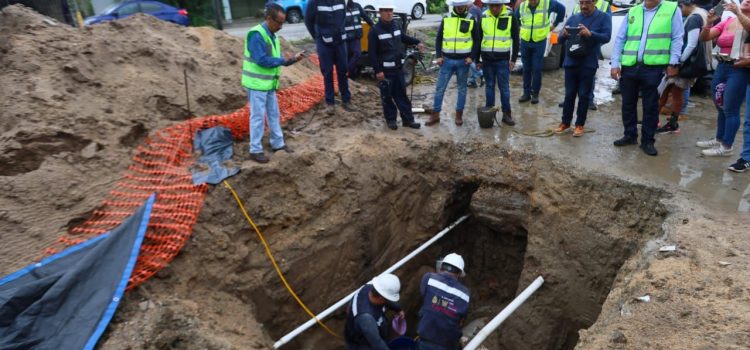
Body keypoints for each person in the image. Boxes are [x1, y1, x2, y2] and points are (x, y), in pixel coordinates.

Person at [610, 0, 684, 156]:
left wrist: (673, 62)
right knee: (628, 103)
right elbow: (620, 39)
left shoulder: (672, 9)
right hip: (630, 66)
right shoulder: (633, 11)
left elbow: (677, 37)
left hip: (654, 67)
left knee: (650, 106)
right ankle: (630, 135)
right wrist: (615, 63)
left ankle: (647, 141)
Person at [243, 4, 305, 164]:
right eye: (279, 22)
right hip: (257, 84)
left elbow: (276, 61)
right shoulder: (257, 34)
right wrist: (283, 61)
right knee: (257, 117)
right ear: (269, 18)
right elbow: (261, 59)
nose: (281, 26)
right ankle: (255, 150)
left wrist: (291, 60)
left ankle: (278, 144)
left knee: (273, 114)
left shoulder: (272, 35)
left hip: (269, 84)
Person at [695, 0, 750, 156]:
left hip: (739, 68)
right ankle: (719, 139)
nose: (746, 0)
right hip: (722, 65)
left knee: (731, 108)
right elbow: (703, 38)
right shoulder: (728, 20)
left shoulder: (742, 19)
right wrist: (709, 23)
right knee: (720, 105)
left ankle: (727, 146)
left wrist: (739, 13)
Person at [555, 0, 611, 137]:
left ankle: (580, 125)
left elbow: (607, 37)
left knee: (584, 95)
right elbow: (559, 39)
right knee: (569, 95)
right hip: (571, 63)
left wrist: (590, 34)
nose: (584, 6)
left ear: (595, 2)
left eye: (587, 3)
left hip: (588, 63)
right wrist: (564, 35)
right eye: (581, 3)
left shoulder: (603, 17)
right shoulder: (574, 18)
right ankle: (565, 123)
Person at [655, 0, 710, 135]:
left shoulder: (693, 18)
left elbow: (691, 44)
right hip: (686, 63)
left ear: (686, 5)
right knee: (669, 91)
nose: (680, 11)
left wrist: (677, 63)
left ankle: (669, 123)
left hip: (683, 64)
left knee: (670, 92)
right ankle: (661, 121)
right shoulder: (702, 14)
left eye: (681, 7)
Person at [368, 2, 426, 130]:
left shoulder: (396, 25)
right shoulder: (374, 31)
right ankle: (391, 120)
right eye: (386, 11)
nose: (389, 13)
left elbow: (403, 38)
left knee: (402, 96)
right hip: (385, 71)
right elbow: (372, 53)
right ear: (380, 13)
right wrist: (378, 71)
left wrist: (417, 42)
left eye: (390, 10)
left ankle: (408, 120)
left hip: (398, 69)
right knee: (387, 98)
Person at [426, 0, 482, 127]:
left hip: (464, 61)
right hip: (446, 61)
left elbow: (477, 40)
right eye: (458, 5)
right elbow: (439, 38)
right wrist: (439, 56)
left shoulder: (471, 19)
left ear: (466, 5)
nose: (460, 7)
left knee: (462, 89)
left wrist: (472, 57)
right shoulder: (447, 18)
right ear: (454, 5)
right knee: (440, 88)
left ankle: (459, 115)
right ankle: (435, 114)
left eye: (462, 4)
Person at [305, 0, 355, 115]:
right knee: (327, 72)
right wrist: (318, 37)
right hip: (324, 43)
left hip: (340, 42)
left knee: (343, 70)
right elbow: (308, 21)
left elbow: (342, 16)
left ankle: (346, 100)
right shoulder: (314, 2)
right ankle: (330, 103)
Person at [514, 0, 565, 104]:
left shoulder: (547, 3)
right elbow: (515, 18)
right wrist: (520, 27)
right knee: (526, 68)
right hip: (525, 41)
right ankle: (526, 93)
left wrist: (554, 25)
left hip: (539, 41)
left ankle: (535, 94)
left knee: (537, 68)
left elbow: (562, 10)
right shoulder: (522, 6)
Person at [478, 0, 520, 125]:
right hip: (487, 60)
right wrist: (478, 60)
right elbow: (478, 38)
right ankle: (489, 115)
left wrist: (513, 59)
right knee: (489, 87)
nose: (494, 8)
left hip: (503, 60)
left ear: (502, 5)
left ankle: (507, 115)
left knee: (504, 88)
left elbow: (516, 39)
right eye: (492, 6)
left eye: (497, 5)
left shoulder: (510, 16)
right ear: (488, 5)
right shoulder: (484, 16)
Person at [416, 253, 470, 350]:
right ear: (459, 273)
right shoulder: (465, 294)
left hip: (425, 340)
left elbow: (425, 296)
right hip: (448, 344)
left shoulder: (428, 278)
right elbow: (461, 319)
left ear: (441, 266)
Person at [344, 273, 404, 350]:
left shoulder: (371, 288)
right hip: (362, 344)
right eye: (387, 298)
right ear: (381, 298)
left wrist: (398, 309)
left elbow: (385, 299)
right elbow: (377, 342)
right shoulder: (366, 318)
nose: (388, 300)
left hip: (370, 331)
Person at [345, 0, 374, 79]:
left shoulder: (357, 6)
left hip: (356, 37)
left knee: (357, 54)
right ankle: (351, 76)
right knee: (348, 57)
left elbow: (365, 17)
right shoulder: (341, 8)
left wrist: (374, 26)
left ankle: (346, 71)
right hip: (346, 39)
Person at [468, 0, 486, 88]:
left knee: (469, 59)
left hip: (471, 38)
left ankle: (481, 74)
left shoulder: (472, 10)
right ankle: (472, 81)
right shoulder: (477, 9)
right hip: (475, 38)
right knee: (473, 60)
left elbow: (471, 26)